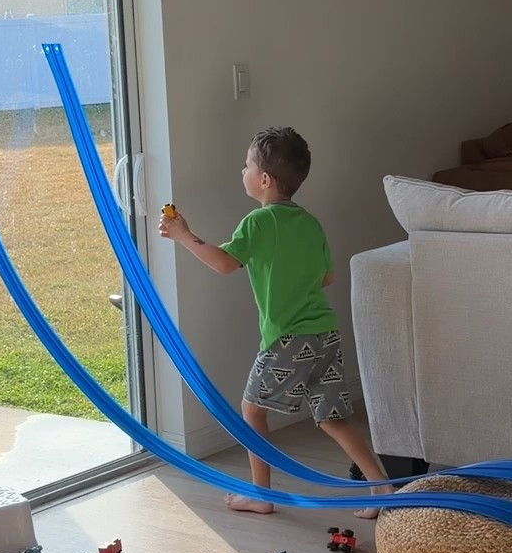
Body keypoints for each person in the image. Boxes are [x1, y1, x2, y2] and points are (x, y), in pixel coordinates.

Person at [160, 126, 386, 515]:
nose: (242, 171)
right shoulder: (310, 223)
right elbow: (326, 277)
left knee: (251, 412)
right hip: (325, 333)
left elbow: (225, 263)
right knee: (331, 418)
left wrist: (184, 236)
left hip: (289, 338)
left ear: (264, 179)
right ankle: (380, 486)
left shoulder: (258, 222)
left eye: (247, 166)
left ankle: (262, 495)